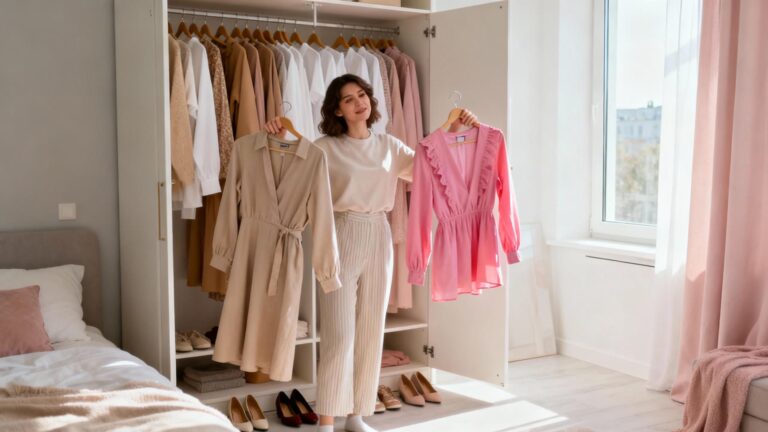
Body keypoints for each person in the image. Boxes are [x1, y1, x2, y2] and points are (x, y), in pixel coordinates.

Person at [265, 74, 476, 432]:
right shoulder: (324, 148)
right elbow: (288, 169)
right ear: (337, 109)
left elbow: (429, 166)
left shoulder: (389, 147)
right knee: (340, 332)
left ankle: (357, 414)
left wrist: (452, 128)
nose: (358, 102)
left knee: (371, 330)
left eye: (362, 94)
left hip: (379, 232)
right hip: (340, 232)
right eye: (348, 99)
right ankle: (327, 419)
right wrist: (278, 135)